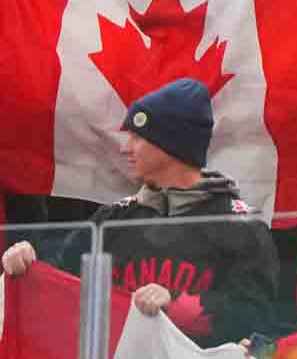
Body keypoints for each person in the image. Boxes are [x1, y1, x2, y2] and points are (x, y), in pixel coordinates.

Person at [0, 79, 280, 343]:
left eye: (137, 138)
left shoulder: (241, 226)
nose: (126, 148)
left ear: (171, 144)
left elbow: (257, 317)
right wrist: (27, 259)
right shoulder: (114, 219)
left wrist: (177, 304)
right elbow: (59, 275)